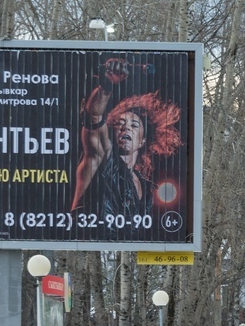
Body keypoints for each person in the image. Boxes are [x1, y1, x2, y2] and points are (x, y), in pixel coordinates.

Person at [71, 57, 182, 217]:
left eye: (134, 125)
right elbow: (94, 116)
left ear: (143, 141)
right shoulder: (102, 158)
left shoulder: (146, 187)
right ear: (111, 132)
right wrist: (106, 85)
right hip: (87, 239)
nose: (126, 128)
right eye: (120, 123)